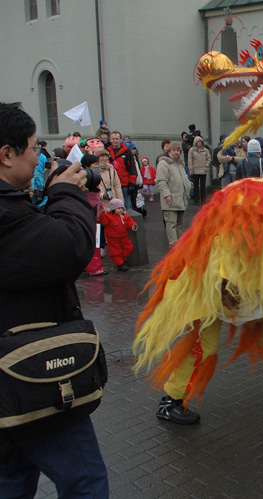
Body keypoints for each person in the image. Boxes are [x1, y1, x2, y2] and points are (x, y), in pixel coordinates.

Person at [0, 101, 109, 497]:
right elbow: (70, 247)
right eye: (32, 148)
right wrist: (66, 193)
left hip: (12, 380)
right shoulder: (6, 214)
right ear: (6, 154)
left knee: (13, 476)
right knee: (86, 482)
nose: (38, 156)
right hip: (30, 374)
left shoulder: (13, 207)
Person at [155, 141, 192, 248]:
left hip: (181, 200)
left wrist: (189, 186)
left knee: (179, 224)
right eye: (174, 150)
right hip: (170, 200)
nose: (176, 152)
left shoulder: (179, 164)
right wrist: (167, 195)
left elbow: (183, 179)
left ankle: (179, 244)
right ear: (169, 151)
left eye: (178, 150)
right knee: (171, 224)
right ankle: (173, 245)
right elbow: (161, 181)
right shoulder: (163, 164)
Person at [100, 198, 137, 271]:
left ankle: (121, 260)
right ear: (113, 209)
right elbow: (104, 222)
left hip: (124, 236)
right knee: (116, 252)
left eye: (122, 208)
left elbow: (130, 221)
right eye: (118, 208)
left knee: (129, 248)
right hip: (112, 238)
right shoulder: (108, 216)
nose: (121, 210)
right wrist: (102, 214)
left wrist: (133, 225)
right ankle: (120, 264)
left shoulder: (125, 216)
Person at [108, 131, 137, 210]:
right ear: (110, 140)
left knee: (126, 205)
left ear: (120, 140)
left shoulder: (127, 152)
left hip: (124, 183)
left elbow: (132, 167)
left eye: (117, 139)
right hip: (111, 183)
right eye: (113, 139)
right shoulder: (107, 152)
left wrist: (132, 183)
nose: (115, 141)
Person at [188, 135, 210, 205]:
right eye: (198, 142)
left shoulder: (205, 150)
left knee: (203, 186)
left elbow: (209, 158)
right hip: (195, 170)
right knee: (196, 186)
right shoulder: (192, 150)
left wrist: (206, 165)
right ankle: (196, 200)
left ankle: (203, 200)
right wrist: (191, 169)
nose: (199, 143)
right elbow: (190, 160)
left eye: (200, 142)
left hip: (203, 170)